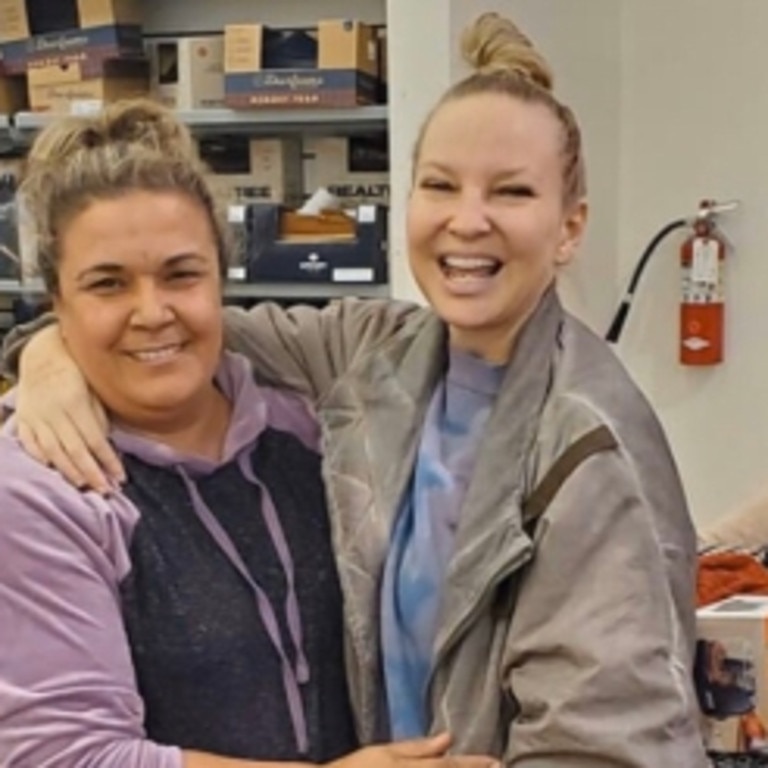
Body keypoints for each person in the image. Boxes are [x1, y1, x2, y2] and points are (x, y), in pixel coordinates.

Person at [3, 13, 709, 767]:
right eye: (440, 185)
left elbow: (612, 742)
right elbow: (175, 335)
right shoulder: (374, 355)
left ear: (569, 228)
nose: (467, 221)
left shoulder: (590, 447)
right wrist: (42, 353)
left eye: (511, 193)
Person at [0, 99, 499, 768]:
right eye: (107, 284)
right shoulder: (40, 493)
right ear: (56, 304)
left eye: (181, 274)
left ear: (222, 280)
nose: (153, 312)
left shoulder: (311, 430)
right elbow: (66, 755)